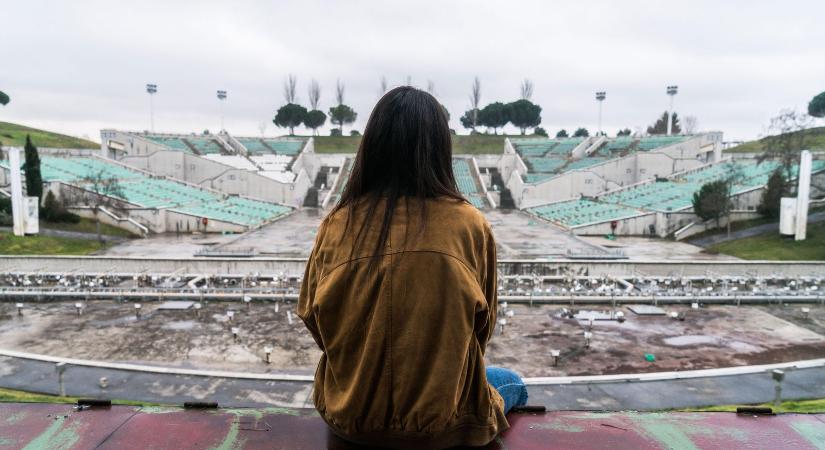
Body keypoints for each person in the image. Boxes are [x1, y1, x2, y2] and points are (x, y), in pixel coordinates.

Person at [298, 86, 527, 449]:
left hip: (349, 419)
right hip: (446, 425)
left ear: (371, 147)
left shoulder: (336, 223)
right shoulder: (469, 224)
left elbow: (313, 317)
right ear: (439, 148)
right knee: (512, 382)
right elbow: (481, 329)